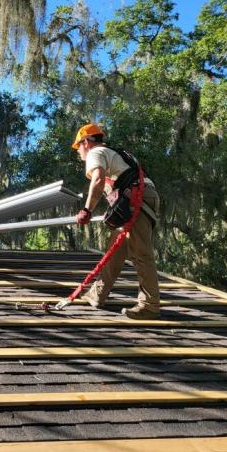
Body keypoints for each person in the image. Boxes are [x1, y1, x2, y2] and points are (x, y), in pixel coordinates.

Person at [72, 123, 162, 320]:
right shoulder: (113, 153)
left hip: (137, 199)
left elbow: (97, 180)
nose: (78, 152)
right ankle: (97, 294)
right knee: (115, 250)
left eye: (78, 146)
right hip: (138, 197)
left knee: (141, 253)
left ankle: (150, 306)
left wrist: (87, 210)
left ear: (86, 142)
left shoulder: (96, 153)